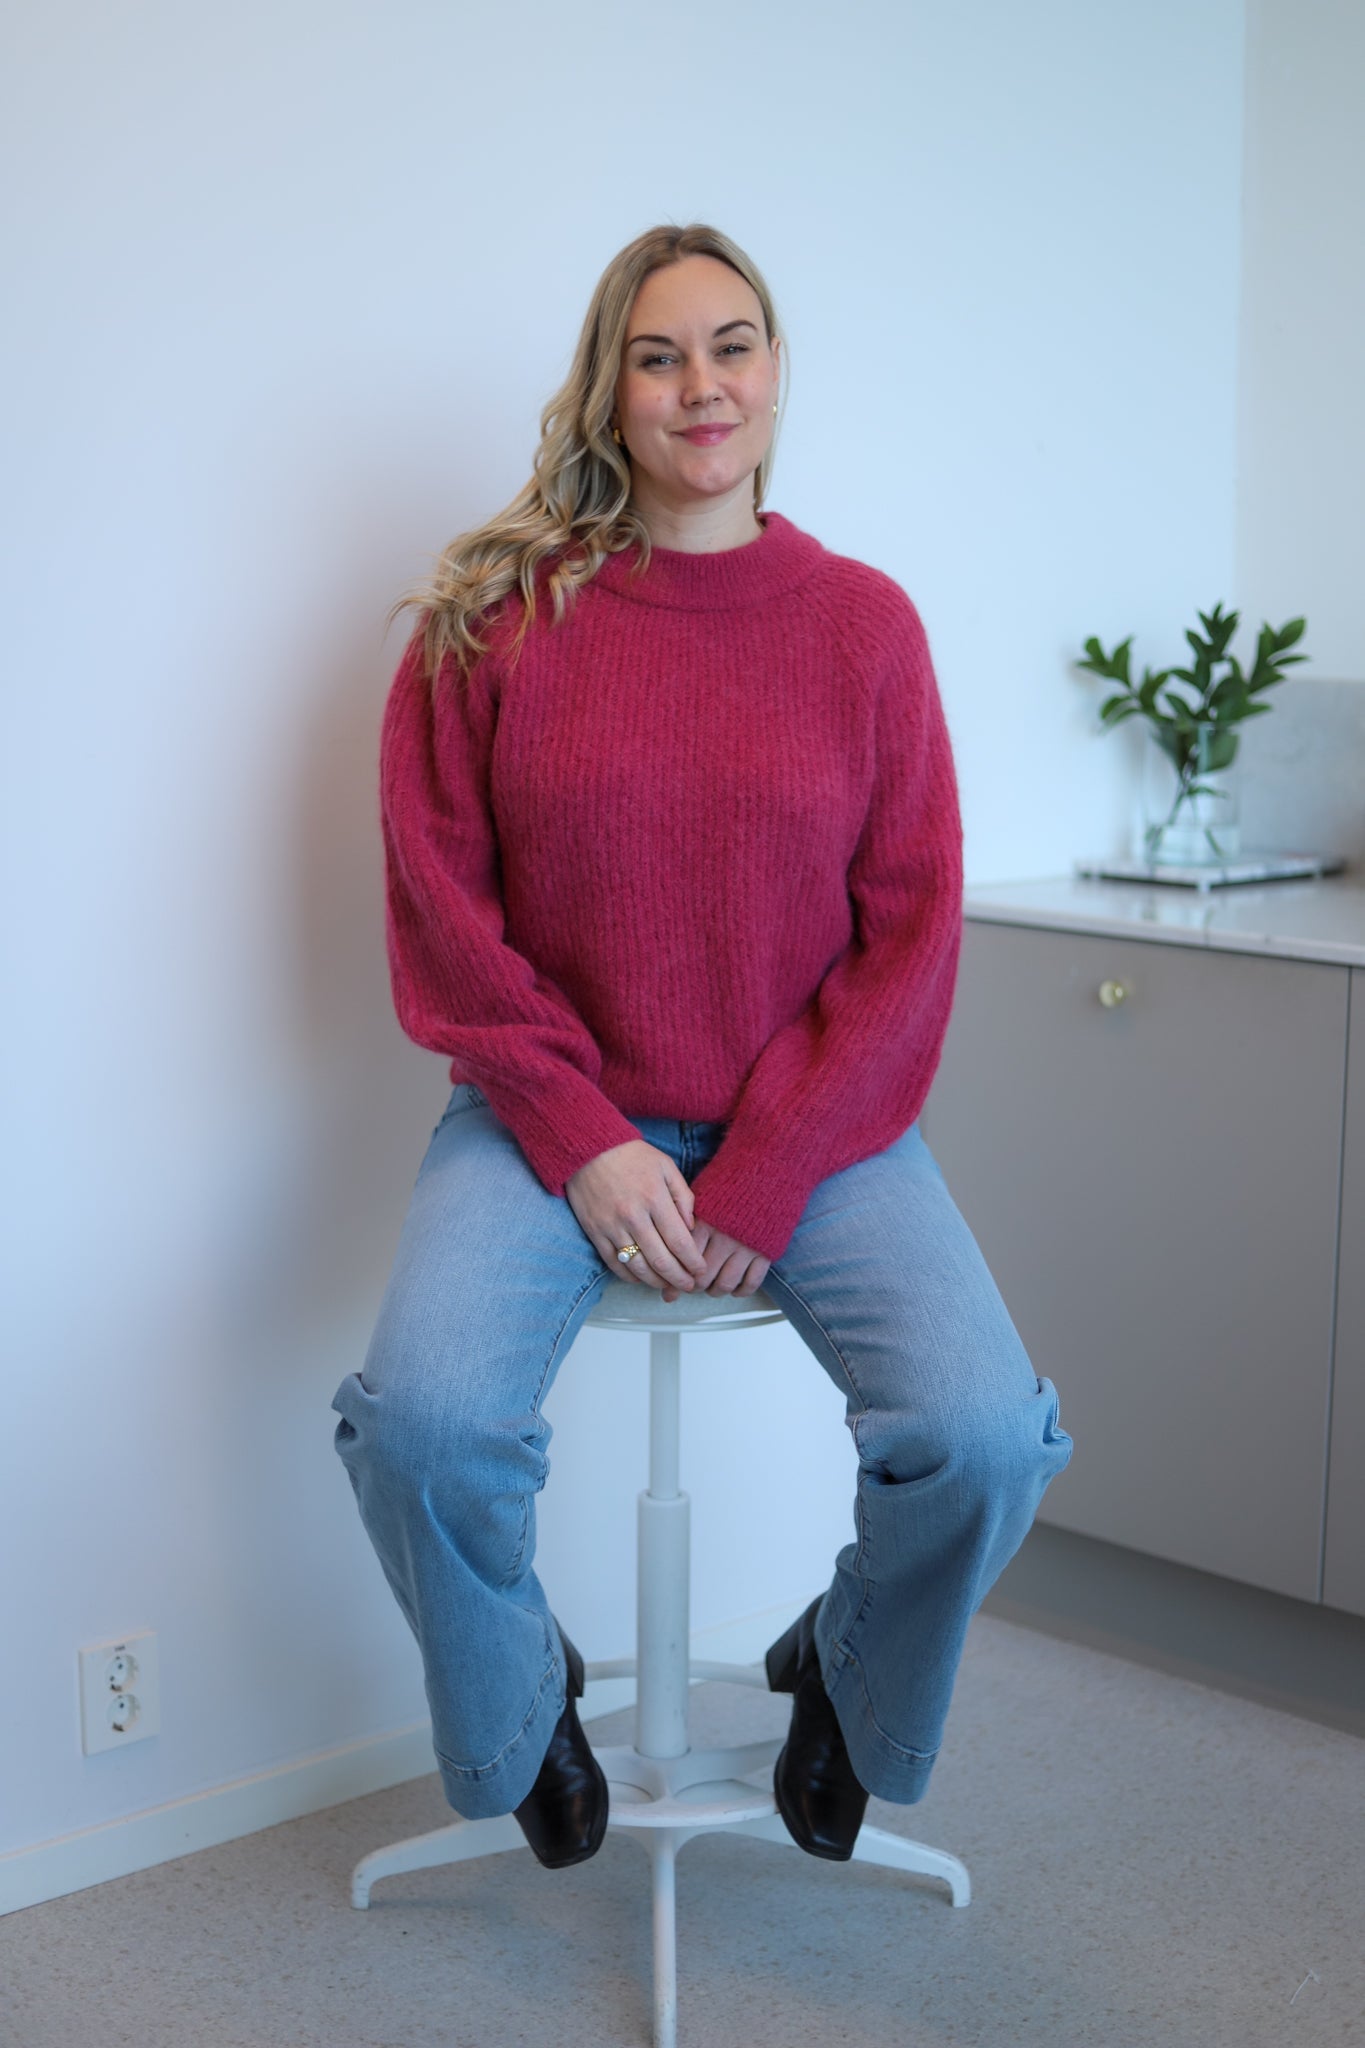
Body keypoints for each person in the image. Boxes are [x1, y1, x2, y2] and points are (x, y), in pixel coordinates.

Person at [331, 222, 1072, 1872]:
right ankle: (521, 1696)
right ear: (611, 390)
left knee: (982, 1440)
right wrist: (584, 1137)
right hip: (549, 1120)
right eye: (656, 356)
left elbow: (909, 937)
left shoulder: (864, 626)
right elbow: (444, 922)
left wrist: (774, 1165)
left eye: (730, 346)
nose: (699, 386)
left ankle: (847, 1668)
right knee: (424, 1432)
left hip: (819, 1122)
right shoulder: (492, 620)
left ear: (776, 369)